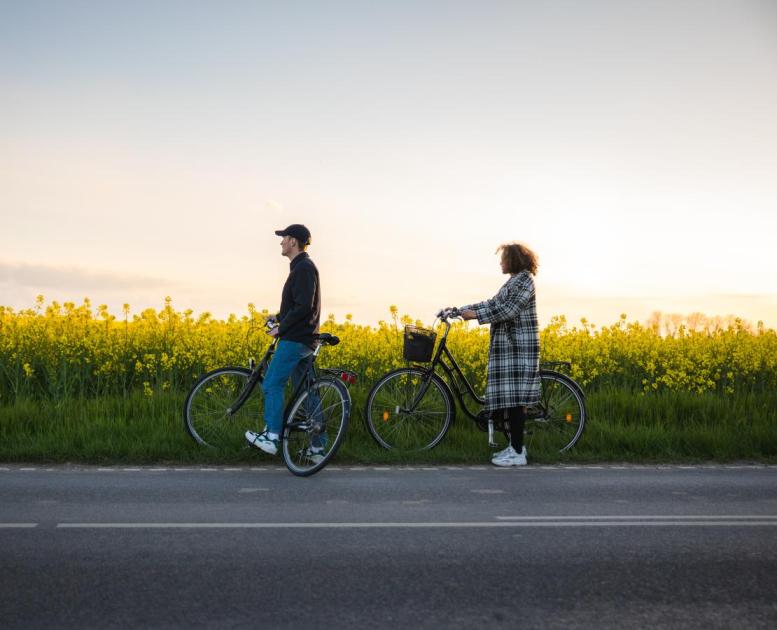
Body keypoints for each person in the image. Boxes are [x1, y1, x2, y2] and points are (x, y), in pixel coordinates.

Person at [456, 242, 540, 466]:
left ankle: (519, 453)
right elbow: (492, 304)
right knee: (509, 399)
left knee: (515, 401)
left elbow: (509, 310)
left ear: (513, 259)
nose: (500, 262)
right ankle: (513, 447)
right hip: (508, 350)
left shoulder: (525, 281)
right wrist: (458, 309)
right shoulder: (513, 281)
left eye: (503, 258)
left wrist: (474, 316)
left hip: (518, 349)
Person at [245, 223, 322, 459]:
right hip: (304, 338)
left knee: (271, 384)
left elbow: (303, 307)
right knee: (308, 392)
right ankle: (318, 448)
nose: (280, 242)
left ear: (293, 241)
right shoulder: (301, 267)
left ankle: (272, 437)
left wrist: (281, 328)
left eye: (284, 238)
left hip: (296, 339)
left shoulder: (303, 268)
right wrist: (278, 317)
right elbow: (299, 305)